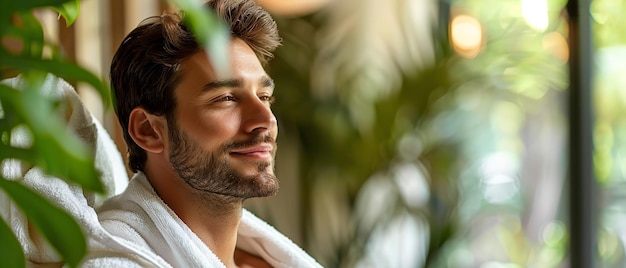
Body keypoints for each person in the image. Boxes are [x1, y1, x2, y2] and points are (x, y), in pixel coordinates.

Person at [82, 0, 321, 267]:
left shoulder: (264, 260)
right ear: (148, 130)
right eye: (227, 98)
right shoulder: (114, 259)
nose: (266, 120)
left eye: (264, 96)